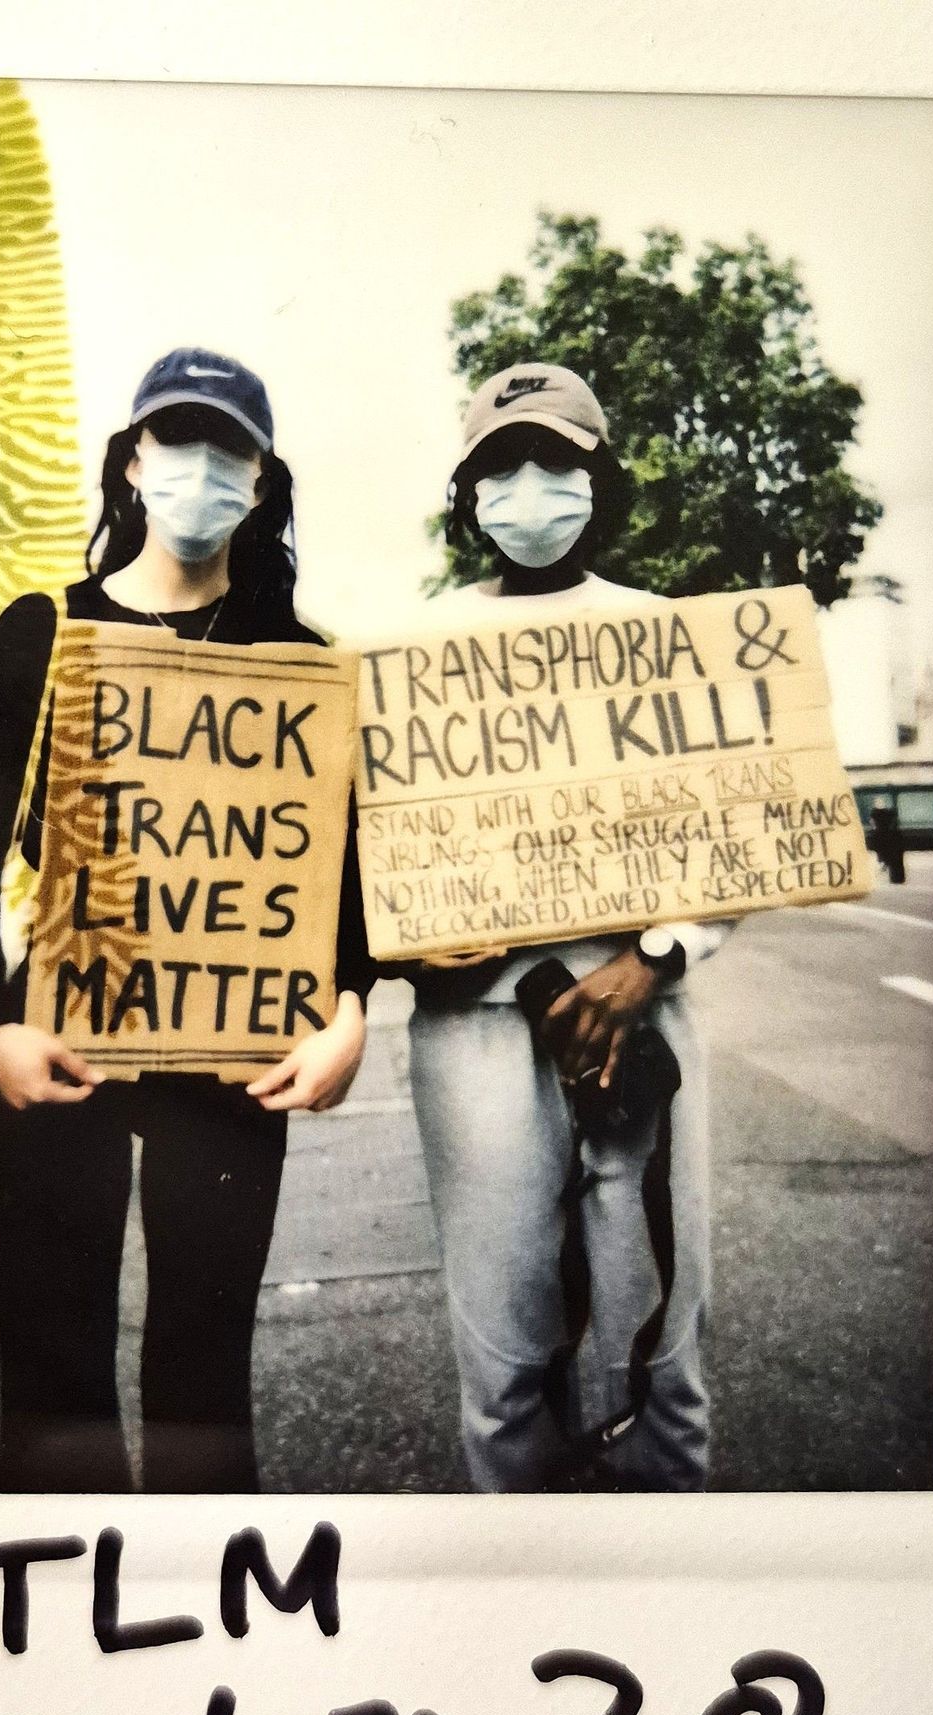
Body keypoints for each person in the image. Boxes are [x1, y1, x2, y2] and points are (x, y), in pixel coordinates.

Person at [0, 348, 372, 1494]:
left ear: (263, 485)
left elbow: (343, 894)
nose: (202, 472)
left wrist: (348, 1014)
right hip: (53, 1054)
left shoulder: (304, 668)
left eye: (232, 451)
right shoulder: (37, 637)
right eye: (178, 442)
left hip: (231, 1070)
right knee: (51, 1390)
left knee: (204, 1391)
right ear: (131, 463)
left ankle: (210, 1634)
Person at [406, 362, 731, 1493]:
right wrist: (404, 932)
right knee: (503, 1357)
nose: (528, 487)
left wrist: (656, 956)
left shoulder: (666, 632)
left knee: (663, 1348)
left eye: (555, 462)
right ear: (469, 492)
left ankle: (665, 1589)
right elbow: (375, 852)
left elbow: (738, 829)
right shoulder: (413, 647)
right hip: (478, 1033)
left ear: (599, 479)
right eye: (501, 465)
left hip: (642, 1007)